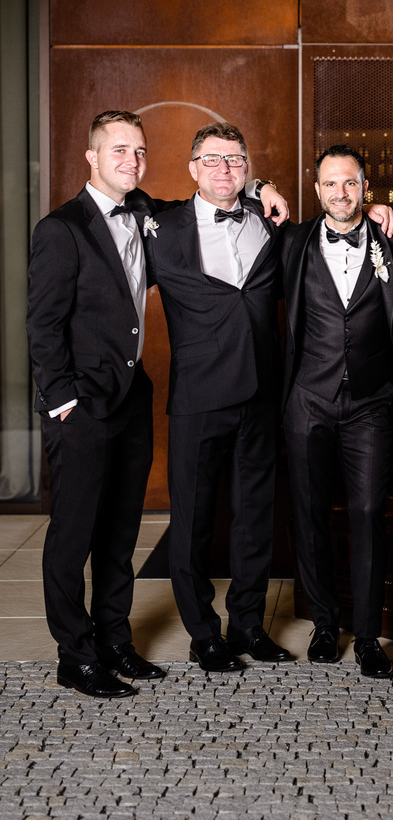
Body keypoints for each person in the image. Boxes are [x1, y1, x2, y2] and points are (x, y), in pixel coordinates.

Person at [146, 124, 393, 673]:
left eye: (236, 162)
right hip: (200, 396)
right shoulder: (162, 227)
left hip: (264, 398)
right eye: (212, 161)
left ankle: (248, 625)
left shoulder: (274, 225)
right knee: (193, 523)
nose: (224, 171)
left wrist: (268, 189)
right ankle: (204, 634)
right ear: (192, 168)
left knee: (256, 518)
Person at [26, 110, 165, 697]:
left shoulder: (146, 212)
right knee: (73, 534)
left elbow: (205, 209)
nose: (131, 161)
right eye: (119, 151)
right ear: (92, 156)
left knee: (120, 531)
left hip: (132, 400)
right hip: (80, 406)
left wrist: (261, 191)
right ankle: (75, 656)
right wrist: (62, 404)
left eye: (138, 151)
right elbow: (43, 325)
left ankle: (114, 641)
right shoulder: (61, 229)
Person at [281, 145, 393, 679]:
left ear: (365, 188)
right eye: (330, 185)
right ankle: (323, 623)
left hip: (372, 402)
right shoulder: (292, 242)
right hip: (307, 399)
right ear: (316, 191)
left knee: (367, 514)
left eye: (350, 184)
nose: (341, 193)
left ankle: (366, 636)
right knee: (310, 514)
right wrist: (263, 186)